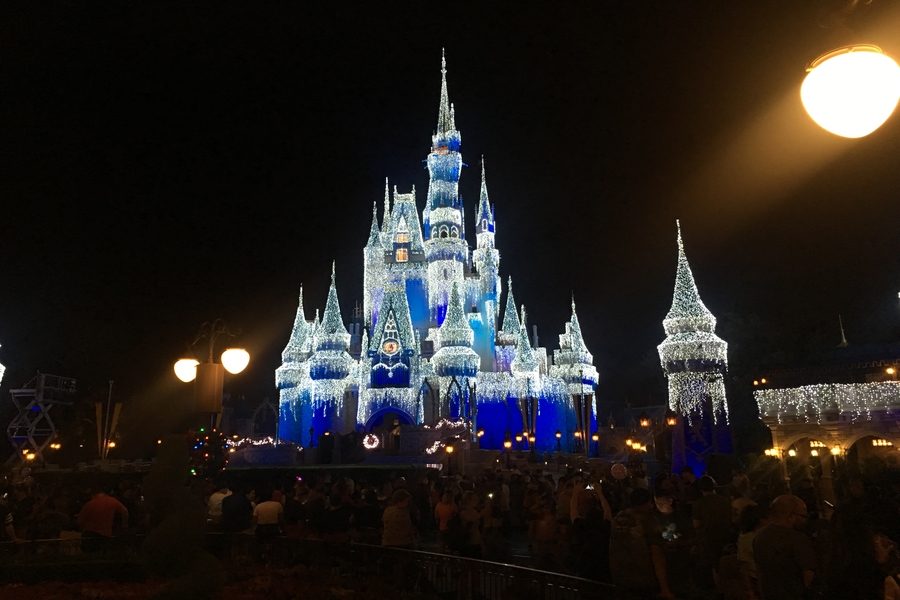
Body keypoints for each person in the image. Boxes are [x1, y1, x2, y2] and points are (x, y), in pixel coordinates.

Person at [609, 488, 675, 599]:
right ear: (647, 502)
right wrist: (665, 589)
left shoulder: (618, 519)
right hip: (643, 578)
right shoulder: (647, 520)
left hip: (619, 577)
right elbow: (656, 555)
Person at [752, 494, 816, 600]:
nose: (805, 520)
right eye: (803, 516)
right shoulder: (797, 539)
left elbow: (759, 571)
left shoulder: (759, 537)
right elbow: (808, 574)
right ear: (791, 516)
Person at [77, 485, 129, 552]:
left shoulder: (89, 504)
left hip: (90, 536)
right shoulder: (112, 501)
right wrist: (124, 526)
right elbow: (125, 511)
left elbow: (79, 521)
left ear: (93, 495)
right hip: (106, 535)